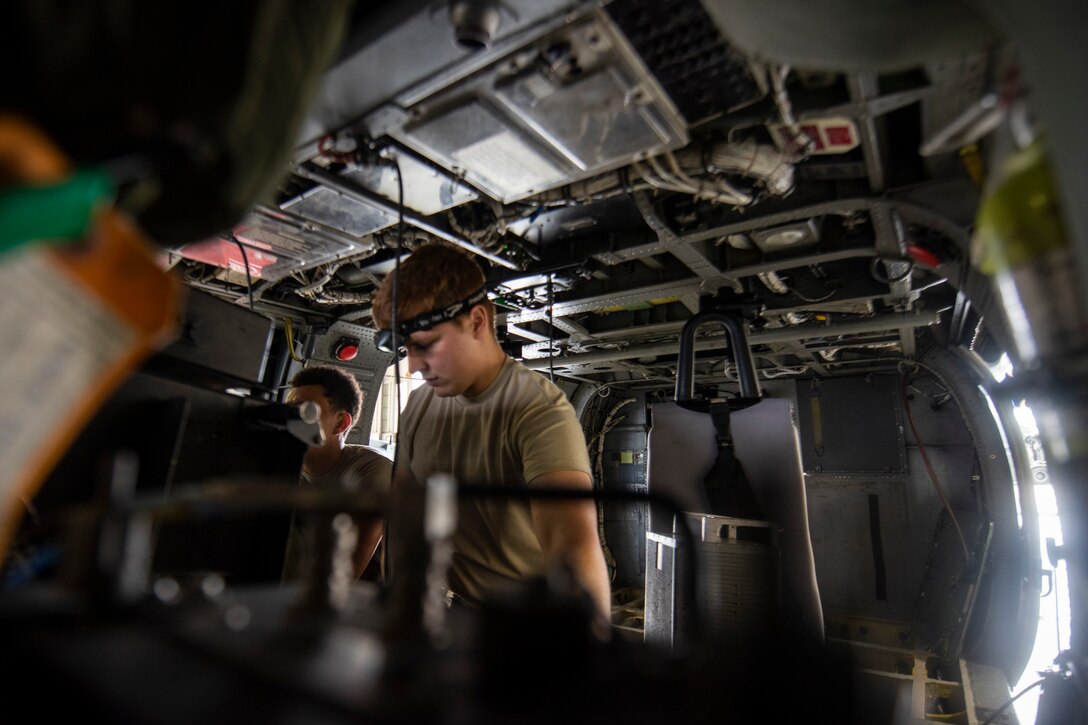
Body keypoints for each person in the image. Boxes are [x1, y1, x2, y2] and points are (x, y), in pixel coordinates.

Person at [370, 243, 611, 623]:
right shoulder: (418, 406)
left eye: (426, 345)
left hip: (520, 623)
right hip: (442, 613)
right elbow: (403, 518)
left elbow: (573, 548)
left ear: (477, 321)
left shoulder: (538, 410)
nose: (413, 365)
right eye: (406, 349)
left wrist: (582, 658)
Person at [282, 365, 392, 581]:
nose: (291, 421)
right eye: (289, 411)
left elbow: (346, 573)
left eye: (306, 411)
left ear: (341, 422)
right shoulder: (282, 466)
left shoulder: (371, 470)